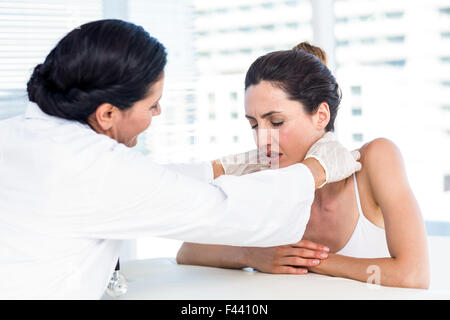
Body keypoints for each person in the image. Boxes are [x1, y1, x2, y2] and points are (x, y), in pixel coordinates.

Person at [0, 20, 360, 299]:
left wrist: (223, 167)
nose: (159, 112)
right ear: (108, 113)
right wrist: (316, 169)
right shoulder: (93, 168)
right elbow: (226, 213)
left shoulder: (20, 135)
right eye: (151, 103)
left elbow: (149, 181)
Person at [176, 42, 430, 289]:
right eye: (254, 125)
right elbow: (188, 250)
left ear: (321, 116)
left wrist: (312, 260)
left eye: (276, 122)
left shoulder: (376, 159)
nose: (261, 140)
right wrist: (252, 255)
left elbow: (413, 274)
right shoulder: (266, 177)